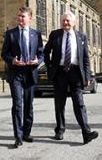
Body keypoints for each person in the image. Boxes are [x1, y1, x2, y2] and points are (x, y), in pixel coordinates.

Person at [44, 11, 98, 144]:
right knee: (59, 103)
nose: (65, 22)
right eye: (63, 20)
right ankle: (60, 129)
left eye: (68, 20)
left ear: (74, 23)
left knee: (79, 104)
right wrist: (50, 66)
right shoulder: (55, 34)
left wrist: (87, 76)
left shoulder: (81, 37)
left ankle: (86, 133)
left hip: (75, 73)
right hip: (60, 73)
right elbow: (46, 51)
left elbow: (85, 59)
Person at [1, 7, 43, 148]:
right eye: (19, 16)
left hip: (30, 73)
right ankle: (18, 136)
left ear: (29, 18)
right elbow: (4, 54)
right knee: (17, 105)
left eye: (23, 16)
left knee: (28, 106)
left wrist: (37, 61)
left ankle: (26, 133)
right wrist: (12, 60)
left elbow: (41, 54)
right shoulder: (10, 34)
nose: (20, 18)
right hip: (16, 74)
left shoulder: (36, 34)